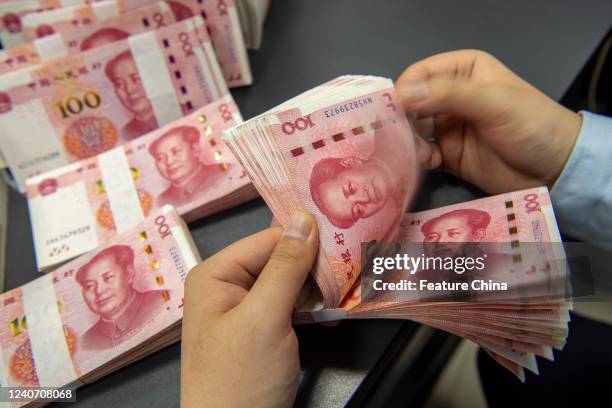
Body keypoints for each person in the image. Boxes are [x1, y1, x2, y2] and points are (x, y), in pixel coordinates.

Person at [181, 50, 612, 406]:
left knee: (530, 363)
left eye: (348, 188)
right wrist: (571, 156)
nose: (360, 202)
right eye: (350, 215)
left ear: (350, 162)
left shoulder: (396, 138)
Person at [77, 245, 166, 350]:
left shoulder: (163, 301)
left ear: (129, 274)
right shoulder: (87, 341)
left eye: (108, 278)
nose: (99, 291)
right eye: (89, 286)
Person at [148, 125, 227, 207]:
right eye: (160, 158)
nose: (169, 162)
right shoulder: (161, 201)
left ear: (195, 149)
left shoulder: (225, 172)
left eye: (176, 152)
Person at [104, 50, 157, 141]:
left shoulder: (186, 112)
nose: (129, 89)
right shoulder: (124, 135)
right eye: (119, 84)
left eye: (136, 79)